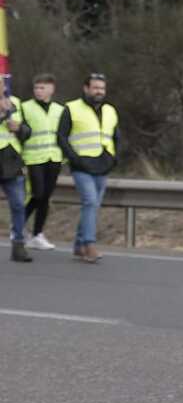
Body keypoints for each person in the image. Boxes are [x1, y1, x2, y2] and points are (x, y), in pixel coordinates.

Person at [57, 73, 119, 263]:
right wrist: (74, 159)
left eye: (102, 88)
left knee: (91, 205)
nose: (99, 91)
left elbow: (116, 136)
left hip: (102, 165)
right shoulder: (71, 108)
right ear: (86, 88)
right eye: (95, 87)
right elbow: (61, 137)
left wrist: (114, 158)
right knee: (90, 202)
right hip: (81, 165)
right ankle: (89, 245)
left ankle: (78, 245)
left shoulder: (110, 110)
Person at [21, 74, 65, 250]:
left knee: (45, 197)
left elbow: (63, 134)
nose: (38, 91)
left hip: (54, 157)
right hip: (33, 157)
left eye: (42, 88)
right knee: (37, 194)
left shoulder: (59, 110)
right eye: (36, 88)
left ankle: (37, 234)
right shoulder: (25, 107)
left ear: (51, 89)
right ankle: (18, 224)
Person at [1, 93, 33, 262]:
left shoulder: (15, 102)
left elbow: (28, 131)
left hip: (11, 162)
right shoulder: (6, 107)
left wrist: (19, 128)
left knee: (19, 205)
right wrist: (3, 115)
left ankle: (18, 246)